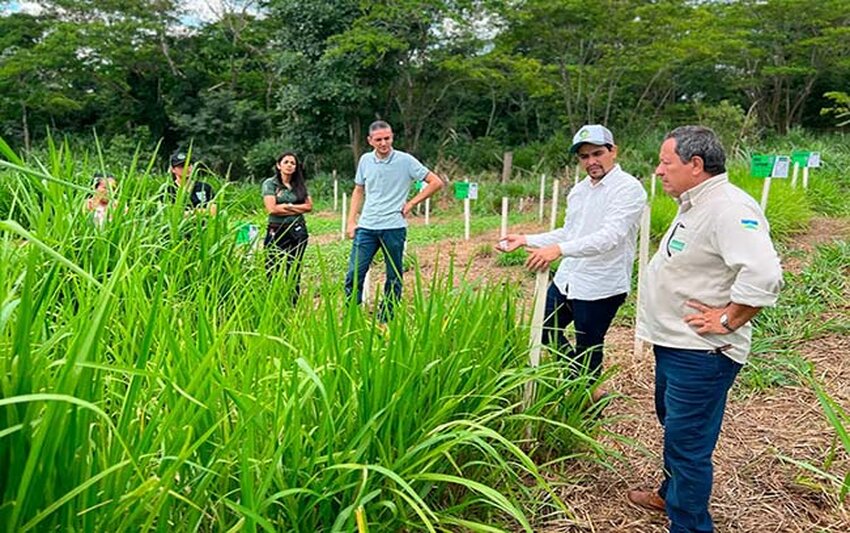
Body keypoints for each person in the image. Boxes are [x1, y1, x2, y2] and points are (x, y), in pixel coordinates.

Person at [628, 126, 783, 532]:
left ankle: (690, 524)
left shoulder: (729, 209)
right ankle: (671, 493)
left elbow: (764, 274)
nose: (658, 171)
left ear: (695, 165)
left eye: (666, 162)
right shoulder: (695, 203)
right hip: (676, 345)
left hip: (701, 353)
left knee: (689, 445)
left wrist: (729, 318)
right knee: (677, 430)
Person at [499, 124, 646, 402]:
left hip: (601, 283)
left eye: (597, 153)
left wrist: (559, 249)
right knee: (542, 328)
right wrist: (527, 238)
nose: (591, 161)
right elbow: (570, 232)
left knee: (589, 345)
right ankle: (583, 381)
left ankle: (588, 407)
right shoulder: (579, 191)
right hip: (569, 278)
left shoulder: (628, 189)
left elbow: (610, 237)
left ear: (613, 151)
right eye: (584, 157)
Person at [344, 120, 444, 321]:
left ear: (392, 137)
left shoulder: (406, 161)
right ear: (370, 140)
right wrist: (351, 221)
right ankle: (351, 316)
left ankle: (386, 318)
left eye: (387, 138)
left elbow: (436, 182)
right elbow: (358, 189)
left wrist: (411, 203)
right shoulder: (365, 160)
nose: (383, 143)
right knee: (354, 274)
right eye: (378, 139)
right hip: (367, 226)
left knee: (393, 276)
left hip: (394, 227)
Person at [262, 151, 312, 302]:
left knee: (294, 267)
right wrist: (297, 207)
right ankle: (272, 300)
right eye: (286, 162)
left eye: (293, 163)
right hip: (276, 229)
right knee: (272, 266)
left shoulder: (299, 185)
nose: (290, 165)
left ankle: (293, 302)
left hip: (298, 229)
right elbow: (272, 208)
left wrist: (287, 206)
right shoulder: (270, 184)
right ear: (279, 165)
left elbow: (309, 206)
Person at [169, 150, 217, 215]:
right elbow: (174, 214)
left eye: (188, 165)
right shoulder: (169, 191)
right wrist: (201, 211)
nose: (187, 168)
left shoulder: (205, 187)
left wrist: (189, 213)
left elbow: (214, 211)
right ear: (173, 170)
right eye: (182, 166)